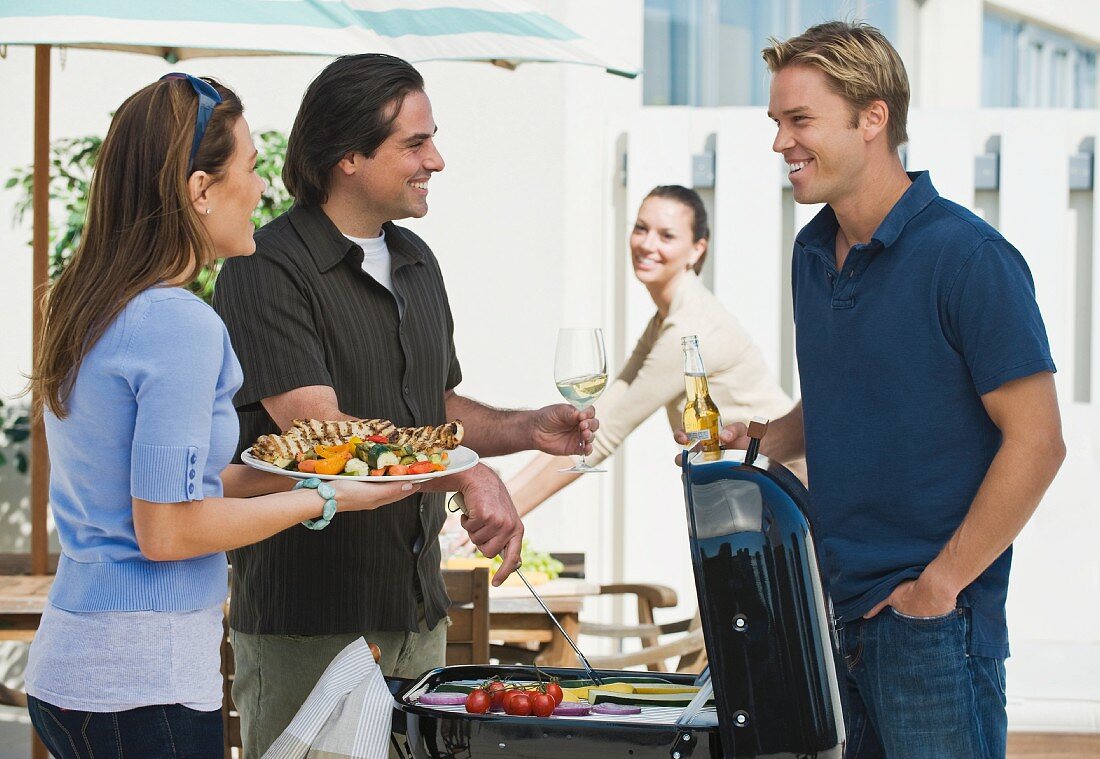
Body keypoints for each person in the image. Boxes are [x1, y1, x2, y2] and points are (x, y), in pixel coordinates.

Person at [681, 21, 1065, 759]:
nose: (779, 142)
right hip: (829, 614)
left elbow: (1039, 440)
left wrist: (938, 588)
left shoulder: (969, 258)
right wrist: (757, 439)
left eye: (800, 121)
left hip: (934, 630)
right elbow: (844, 399)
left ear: (873, 118)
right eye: (776, 122)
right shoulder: (811, 253)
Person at [212, 53, 597, 757]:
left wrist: (522, 428)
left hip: (417, 620)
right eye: (415, 144)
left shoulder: (417, 259)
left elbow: (437, 405)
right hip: (310, 628)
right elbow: (318, 431)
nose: (437, 160)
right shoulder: (264, 266)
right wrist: (465, 473)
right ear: (348, 154)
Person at [23, 74, 412, 757]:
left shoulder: (95, 307)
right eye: (252, 168)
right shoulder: (178, 324)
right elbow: (168, 530)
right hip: (143, 683)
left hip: (78, 668)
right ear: (200, 190)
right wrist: (321, 498)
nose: (263, 189)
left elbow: (177, 487)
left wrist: (302, 476)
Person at [507, 185, 798, 516]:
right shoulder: (666, 319)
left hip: (787, 491)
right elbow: (599, 413)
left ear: (696, 249)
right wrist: (502, 493)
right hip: (749, 493)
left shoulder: (690, 330)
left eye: (667, 236)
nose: (647, 244)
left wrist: (498, 513)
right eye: (641, 228)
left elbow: (604, 436)